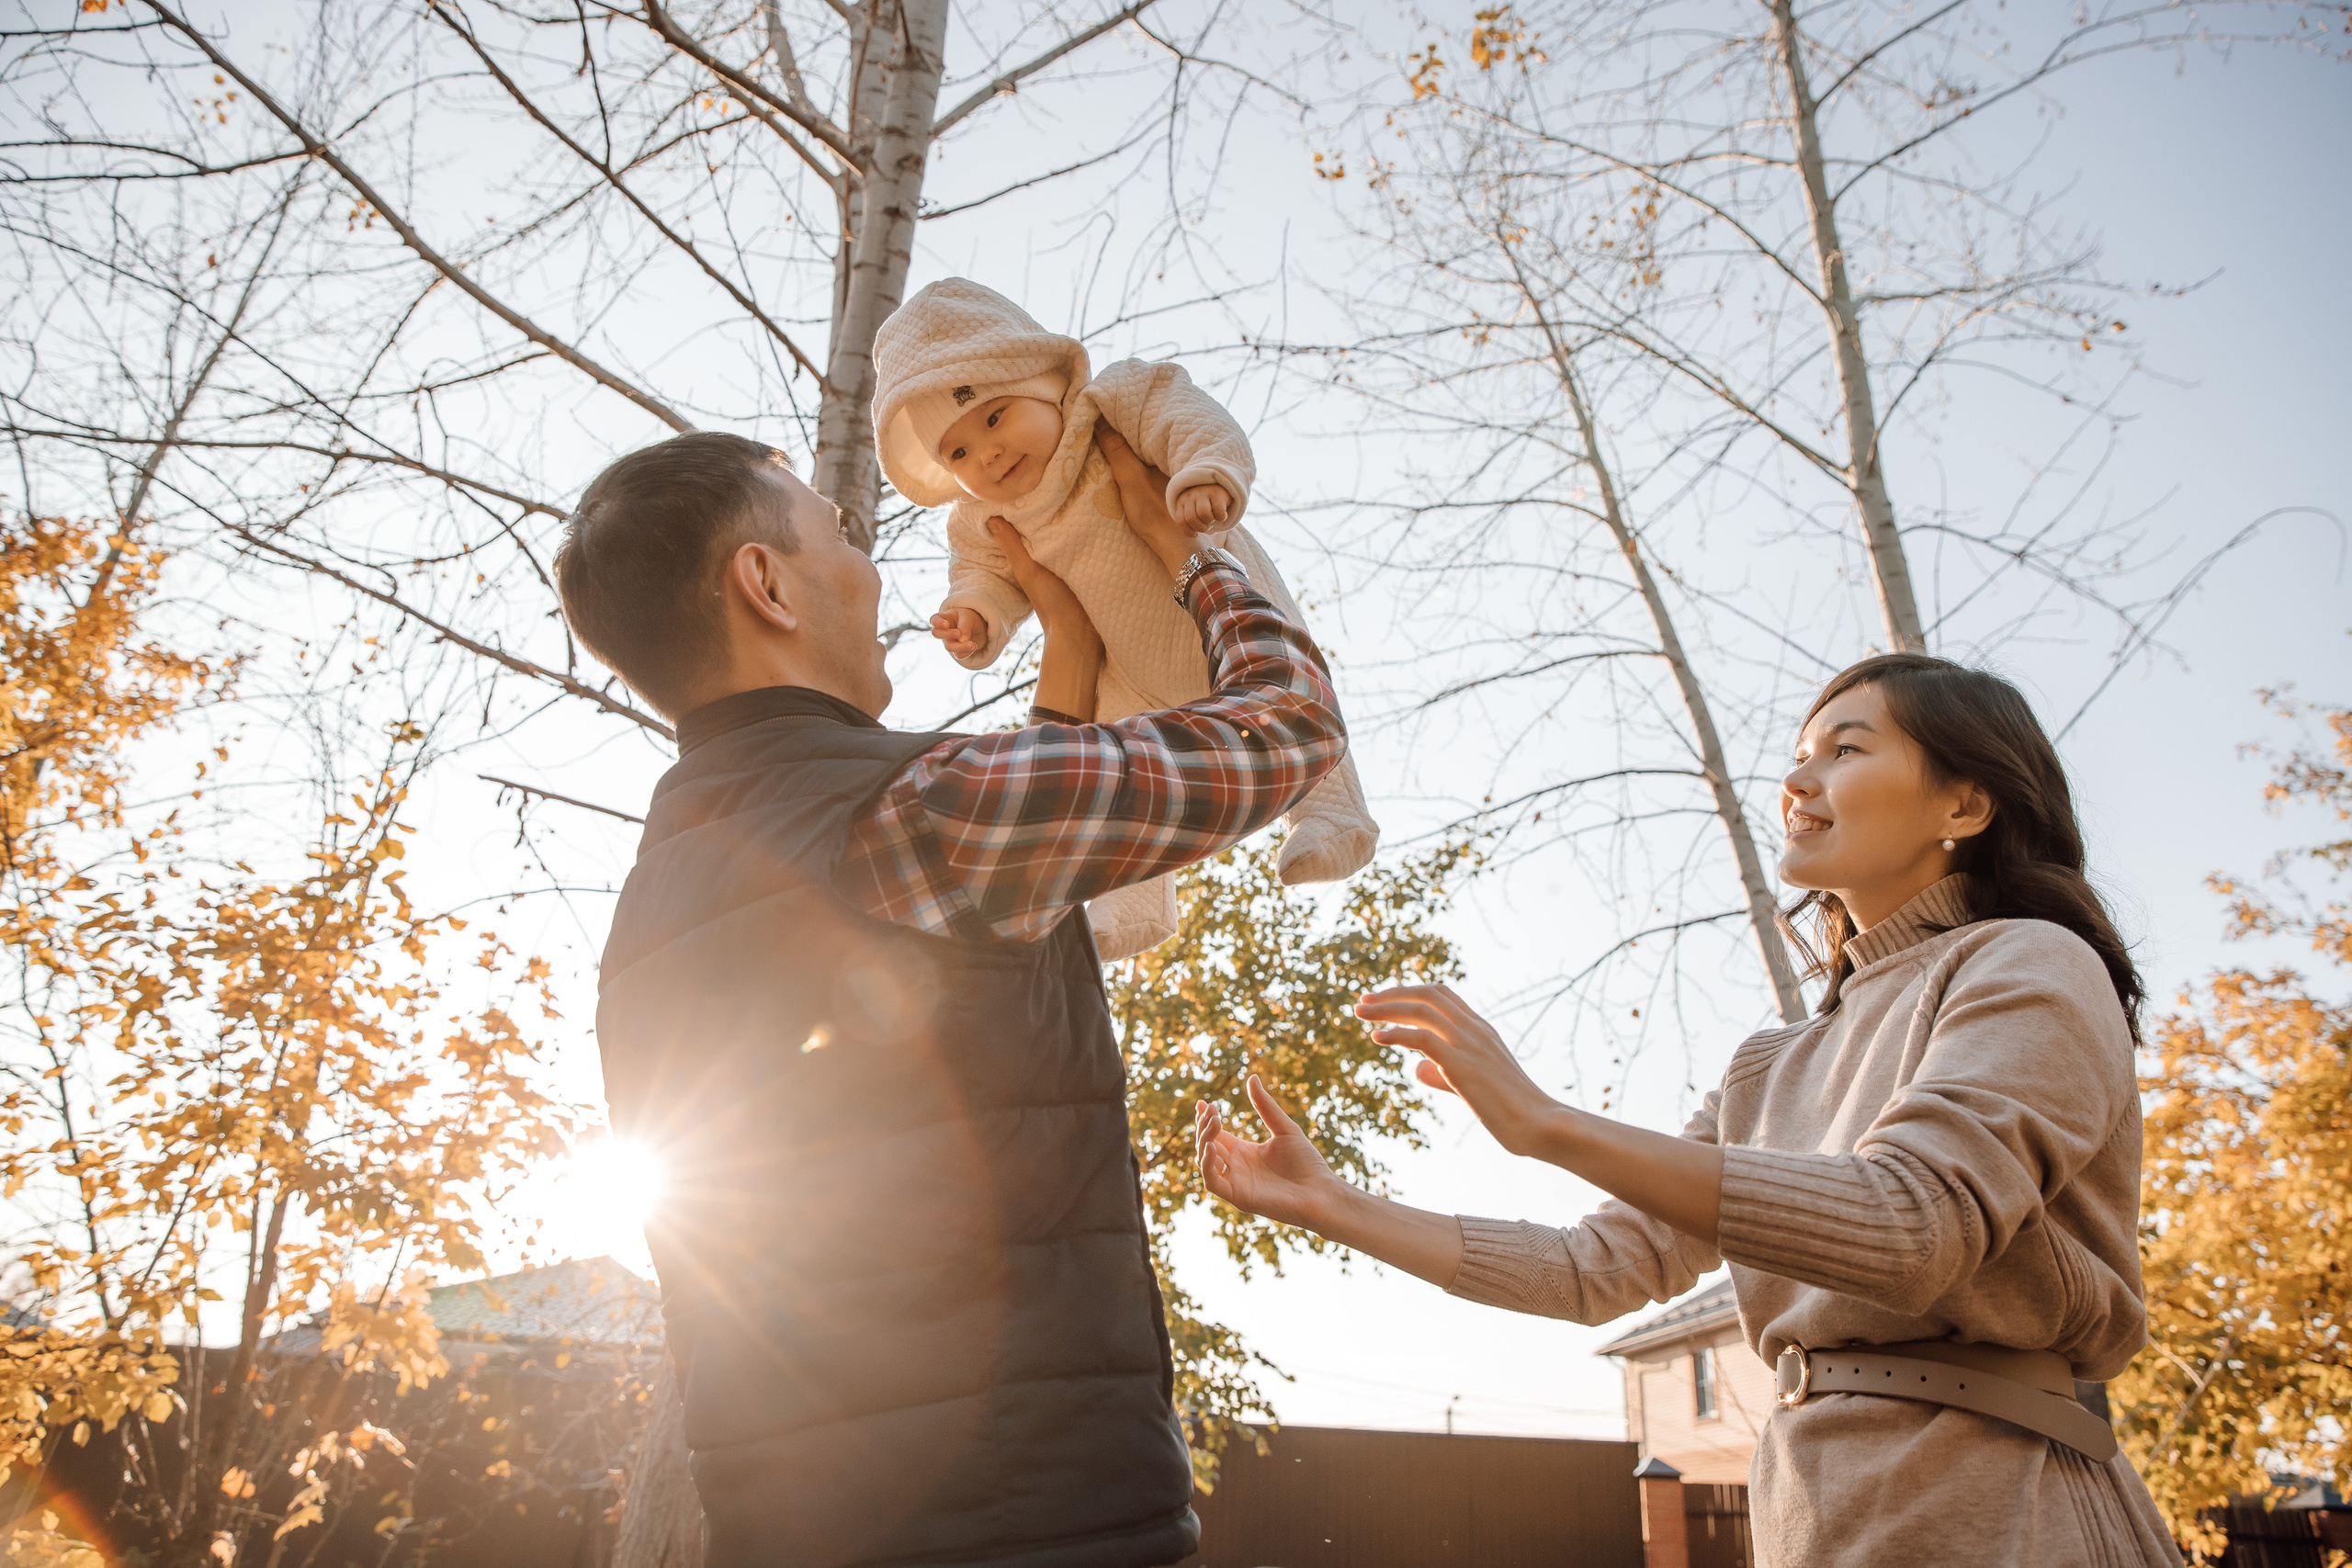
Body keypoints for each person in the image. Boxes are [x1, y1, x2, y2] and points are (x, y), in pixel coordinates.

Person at [1193, 653, 2184, 1568]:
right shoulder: (1769, 1064)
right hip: (1811, 1510)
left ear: (1965, 802)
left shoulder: (2029, 961)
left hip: (2006, 1504)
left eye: (1846, 749)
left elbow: (1911, 1225)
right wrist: (1334, 1204)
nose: (1796, 782)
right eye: (1798, 756)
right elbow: (1593, 1269)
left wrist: (1549, 1124)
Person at [558, 425, 1344, 1567]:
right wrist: (1190, 555)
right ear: (763, 584)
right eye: (842, 536)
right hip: (1031, 1524)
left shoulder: (661, 896)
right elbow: (1289, 732)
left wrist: (1065, 644)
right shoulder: (920, 812)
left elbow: (950, 969)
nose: (874, 572)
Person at [868, 276, 1379, 960]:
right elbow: (985, 576)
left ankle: (1332, 813)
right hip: (1124, 661)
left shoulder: (1110, 407)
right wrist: (976, 618)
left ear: (1044, 380)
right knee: (1118, 750)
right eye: (956, 452)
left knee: (1283, 677)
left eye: (994, 417)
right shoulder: (983, 518)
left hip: (1210, 589)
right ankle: (1133, 898)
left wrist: (1204, 473)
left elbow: (1187, 415)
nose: (985, 455)